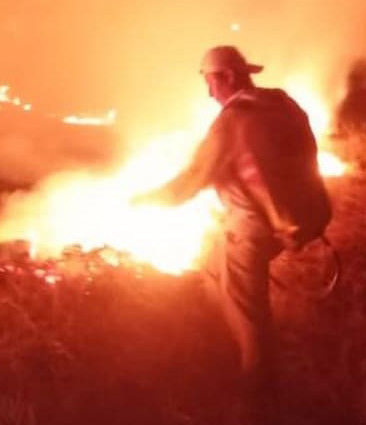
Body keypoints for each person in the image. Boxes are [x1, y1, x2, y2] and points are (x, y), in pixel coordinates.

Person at [136, 45, 332, 423]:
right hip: (300, 217)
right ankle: (223, 340)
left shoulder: (232, 121)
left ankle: (259, 395)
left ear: (225, 77)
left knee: (249, 313)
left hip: (254, 229)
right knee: (213, 267)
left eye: (210, 82)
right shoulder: (282, 104)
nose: (209, 93)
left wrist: (142, 201)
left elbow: (189, 182)